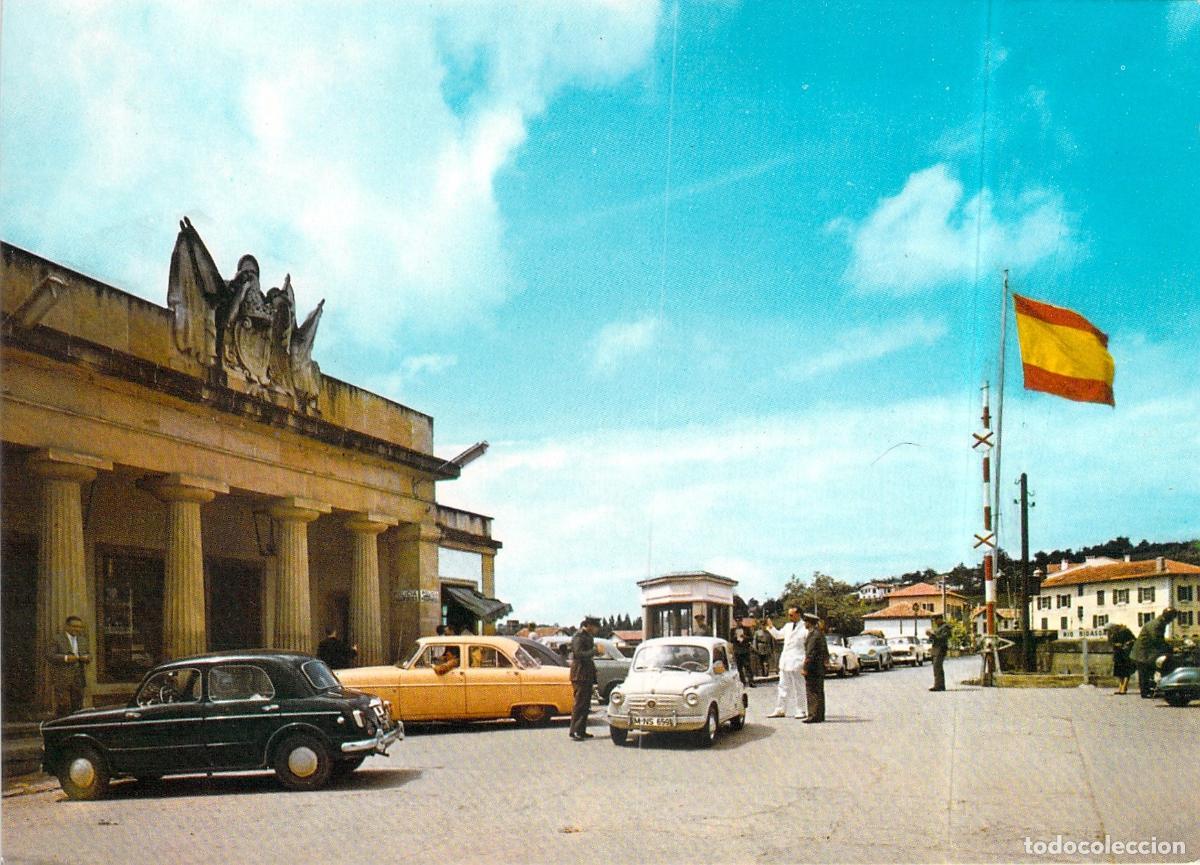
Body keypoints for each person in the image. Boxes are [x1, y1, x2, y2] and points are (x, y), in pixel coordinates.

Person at [764, 607, 807, 718]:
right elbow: (778, 636)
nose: (789, 617)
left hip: (798, 661)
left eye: (792, 615)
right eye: (789, 615)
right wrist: (770, 626)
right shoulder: (787, 626)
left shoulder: (805, 628)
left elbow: (807, 646)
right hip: (786, 661)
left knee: (799, 687)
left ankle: (801, 710)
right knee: (782, 686)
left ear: (798, 614)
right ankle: (780, 709)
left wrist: (806, 662)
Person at [47, 615, 91, 715]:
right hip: (63, 679)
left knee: (78, 707)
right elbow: (49, 655)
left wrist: (87, 658)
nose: (77, 629)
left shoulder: (83, 640)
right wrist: (66, 658)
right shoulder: (57, 639)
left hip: (78, 679)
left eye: (80, 627)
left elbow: (89, 655)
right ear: (67, 626)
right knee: (63, 707)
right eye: (74, 626)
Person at [1131, 607, 1178, 698]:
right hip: (1143, 652)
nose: (1171, 621)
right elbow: (1157, 640)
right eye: (1172, 618)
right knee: (1144, 672)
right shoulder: (1157, 624)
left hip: (1145, 652)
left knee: (1147, 671)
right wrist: (1170, 649)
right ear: (1168, 617)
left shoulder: (1159, 623)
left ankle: (1148, 691)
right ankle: (1145, 692)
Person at [569, 616, 601, 740]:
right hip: (579, 674)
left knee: (586, 704)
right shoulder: (579, 636)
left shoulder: (588, 636)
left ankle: (581, 730)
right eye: (595, 627)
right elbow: (578, 654)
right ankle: (574, 731)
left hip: (587, 674)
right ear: (588, 625)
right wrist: (594, 651)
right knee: (579, 704)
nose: (597, 630)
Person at [801, 612, 828, 723]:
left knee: (812, 692)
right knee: (819, 691)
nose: (804, 624)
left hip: (813, 668)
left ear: (809, 623)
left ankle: (813, 715)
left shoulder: (813, 635)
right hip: (819, 667)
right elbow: (825, 651)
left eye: (805, 622)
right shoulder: (819, 633)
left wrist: (805, 668)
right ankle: (820, 715)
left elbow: (810, 653)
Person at [1107, 622, 1136, 695]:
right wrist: (1115, 644)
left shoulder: (1125, 631)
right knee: (1119, 672)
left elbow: (1134, 640)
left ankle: (1124, 688)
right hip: (1118, 653)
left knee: (1126, 671)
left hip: (1125, 653)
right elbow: (1111, 643)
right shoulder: (1112, 634)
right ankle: (1121, 687)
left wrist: (1127, 644)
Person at [927, 613, 952, 691]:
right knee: (936, 668)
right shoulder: (938, 628)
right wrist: (930, 636)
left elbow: (943, 638)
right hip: (935, 649)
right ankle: (938, 685)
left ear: (940, 619)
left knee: (938, 667)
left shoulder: (945, 627)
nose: (935, 622)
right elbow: (932, 640)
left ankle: (939, 686)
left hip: (941, 649)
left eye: (936, 620)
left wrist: (934, 635)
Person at [729, 618, 755, 687]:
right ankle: (742, 682)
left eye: (739, 621)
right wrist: (734, 637)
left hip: (745, 650)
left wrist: (745, 637)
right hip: (737, 651)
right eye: (737, 621)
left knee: (748, 667)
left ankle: (751, 681)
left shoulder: (747, 629)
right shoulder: (732, 630)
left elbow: (751, 638)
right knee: (739, 668)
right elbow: (731, 640)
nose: (738, 622)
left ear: (741, 621)